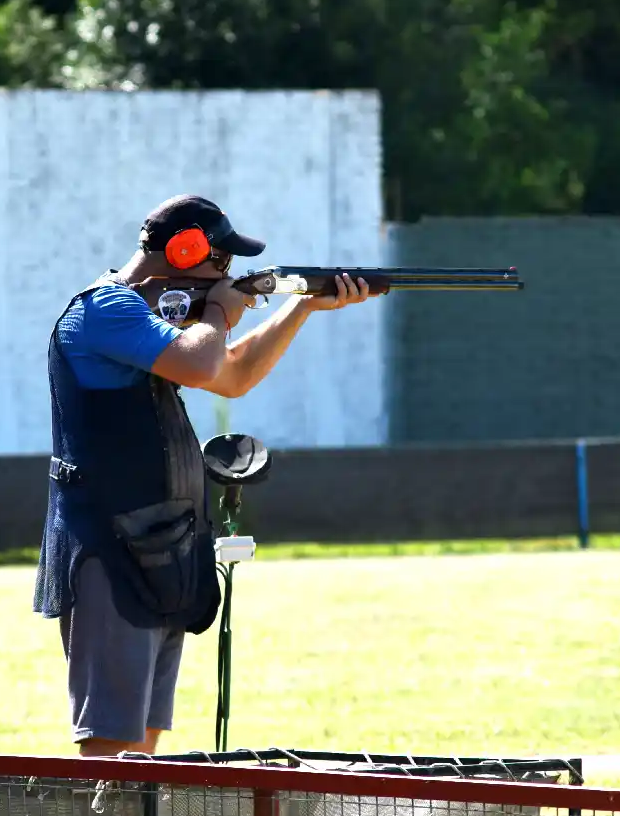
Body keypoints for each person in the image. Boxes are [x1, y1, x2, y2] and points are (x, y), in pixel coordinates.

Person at [33, 194, 370, 757]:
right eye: (220, 262)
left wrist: (303, 307)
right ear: (184, 252)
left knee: (142, 741)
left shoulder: (145, 316)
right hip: (112, 548)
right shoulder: (107, 308)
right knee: (111, 744)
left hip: (158, 545)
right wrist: (217, 313)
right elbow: (200, 361)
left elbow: (230, 375)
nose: (229, 274)